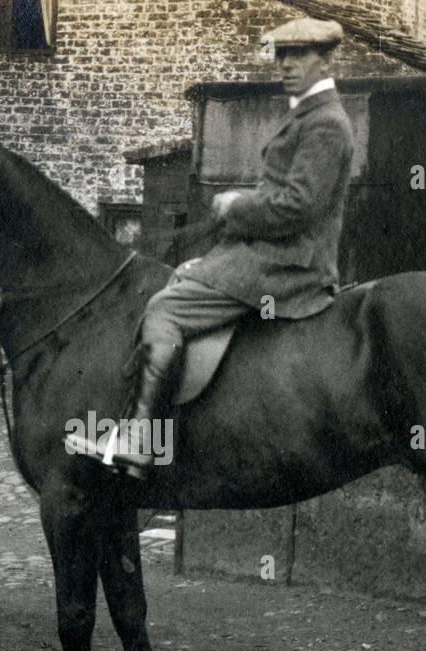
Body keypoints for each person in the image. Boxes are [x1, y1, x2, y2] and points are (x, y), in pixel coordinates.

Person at [65, 15, 355, 478]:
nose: (285, 65)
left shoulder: (325, 124)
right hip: (272, 254)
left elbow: (298, 208)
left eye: (297, 56)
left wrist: (237, 204)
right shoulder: (308, 116)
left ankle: (141, 440)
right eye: (281, 55)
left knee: (165, 310)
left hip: (289, 265)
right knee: (181, 276)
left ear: (323, 61)